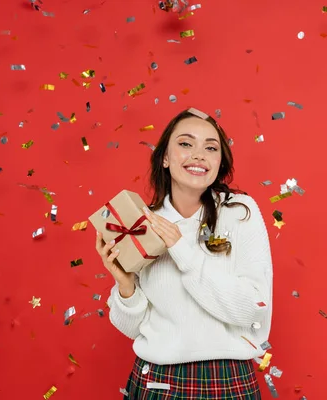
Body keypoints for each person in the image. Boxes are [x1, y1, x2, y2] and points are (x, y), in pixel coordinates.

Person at [95, 107, 274, 399]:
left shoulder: (240, 212)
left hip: (227, 381)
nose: (199, 154)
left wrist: (182, 250)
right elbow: (134, 328)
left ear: (219, 161)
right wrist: (125, 286)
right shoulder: (142, 224)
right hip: (156, 380)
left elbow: (252, 309)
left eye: (211, 147)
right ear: (165, 157)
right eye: (186, 143)